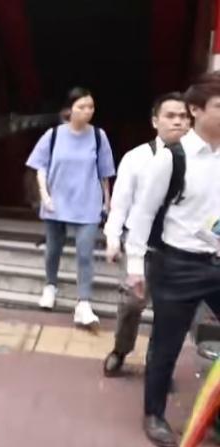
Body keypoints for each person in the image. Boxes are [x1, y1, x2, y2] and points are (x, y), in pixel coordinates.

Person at [124, 72, 220, 447]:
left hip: (217, 261)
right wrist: (135, 266)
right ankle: (154, 414)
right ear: (196, 110)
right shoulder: (172, 158)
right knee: (167, 344)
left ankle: (214, 412)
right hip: (178, 265)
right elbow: (143, 213)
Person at [101, 93, 189, 377]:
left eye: (183, 116)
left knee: (170, 312)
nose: (178, 122)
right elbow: (121, 204)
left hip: (180, 250)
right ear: (155, 121)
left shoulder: (201, 161)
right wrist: (113, 238)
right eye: (170, 116)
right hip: (142, 244)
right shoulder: (137, 158)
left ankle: (158, 364)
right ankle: (121, 349)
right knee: (132, 303)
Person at [26, 87, 116, 327]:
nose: (87, 111)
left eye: (91, 107)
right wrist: (45, 195)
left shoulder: (98, 136)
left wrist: (107, 203)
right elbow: (40, 167)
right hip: (57, 200)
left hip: (88, 201)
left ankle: (84, 302)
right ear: (69, 110)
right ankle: (50, 286)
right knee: (53, 248)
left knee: (85, 252)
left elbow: (105, 174)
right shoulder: (54, 135)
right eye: (81, 107)